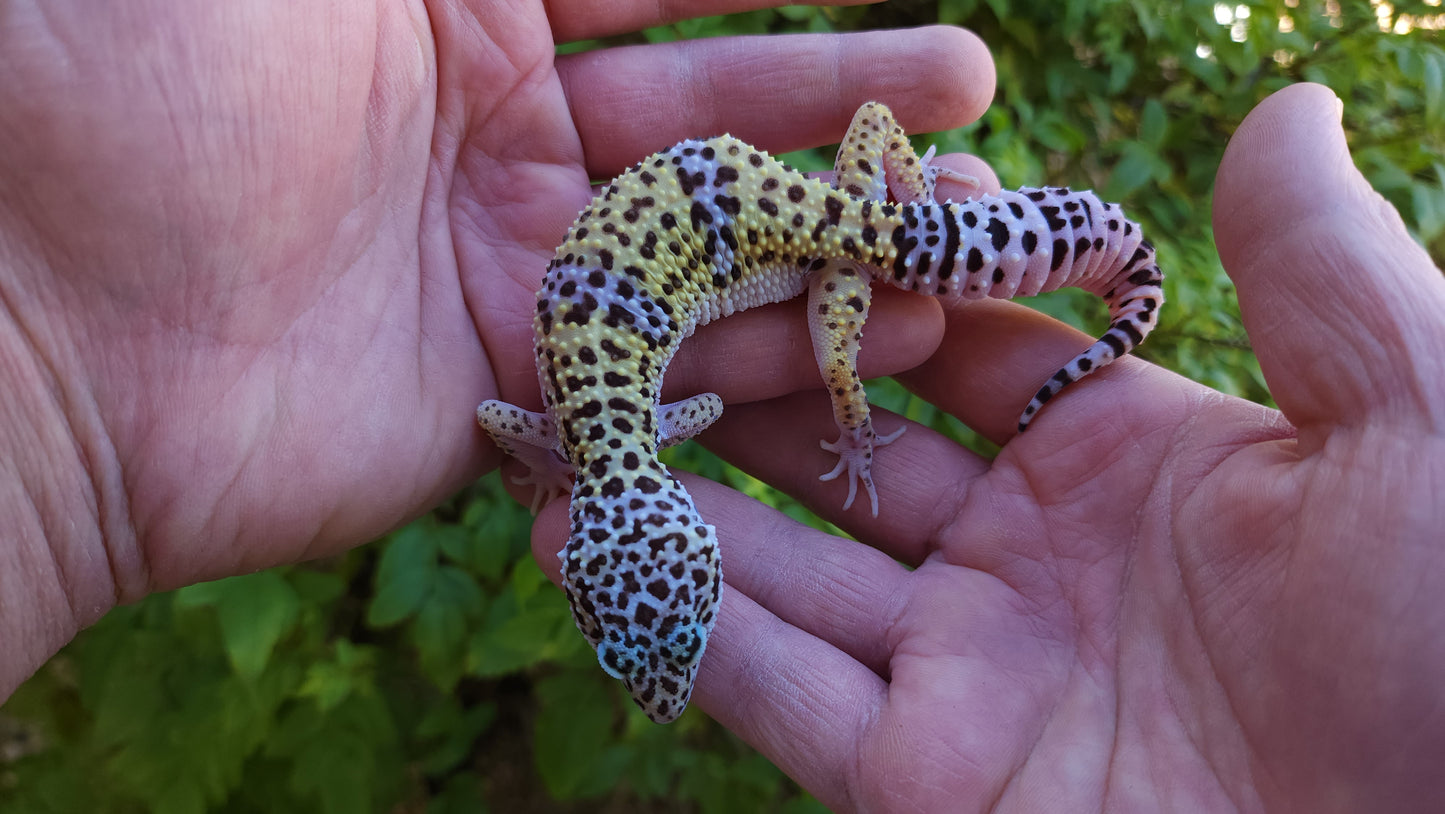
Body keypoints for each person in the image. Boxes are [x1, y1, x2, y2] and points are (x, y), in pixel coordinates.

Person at [1, 2, 1440, 811]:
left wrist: (843, 399)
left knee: (875, 315)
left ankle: (1055, 291)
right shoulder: (575, 441)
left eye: (664, 605)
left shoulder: (622, 437)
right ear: (658, 513)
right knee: (891, 277)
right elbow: (526, 442)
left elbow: (560, 437)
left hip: (777, 230)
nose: (678, 630)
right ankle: (1043, 281)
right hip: (763, 221)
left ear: (672, 525)